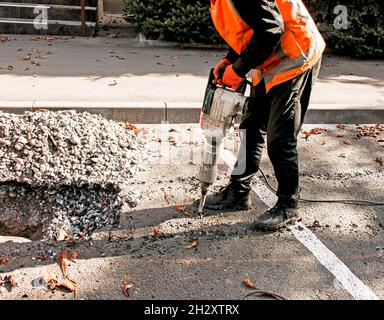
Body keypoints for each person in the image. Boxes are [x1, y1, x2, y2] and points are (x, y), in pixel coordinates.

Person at [205, 0, 325, 230]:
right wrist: (232, 60)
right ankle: (239, 192)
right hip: (272, 56)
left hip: (296, 54)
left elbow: (271, 29)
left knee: (280, 138)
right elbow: (253, 25)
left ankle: (289, 205)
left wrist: (238, 69)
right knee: (251, 127)